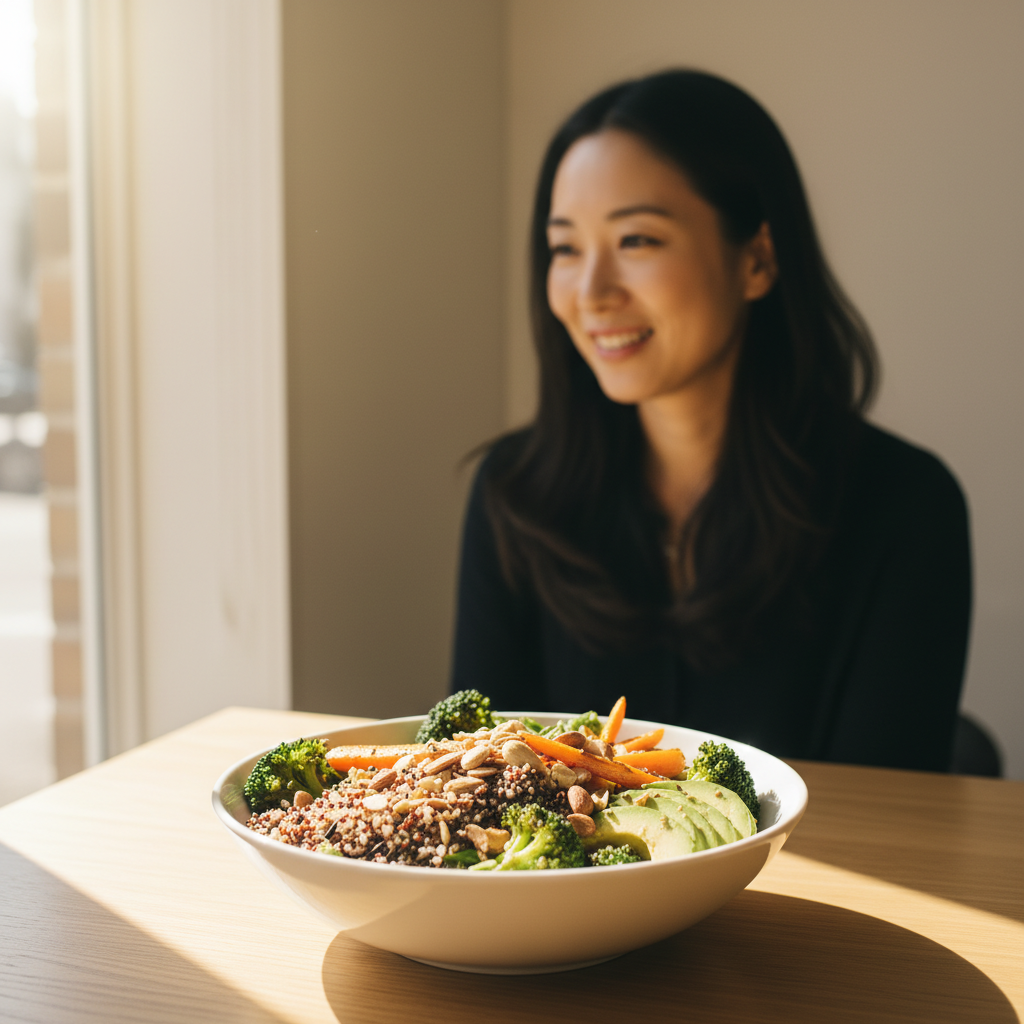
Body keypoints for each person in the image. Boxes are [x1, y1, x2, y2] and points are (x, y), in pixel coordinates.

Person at [450, 70, 971, 772]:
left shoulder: (907, 507)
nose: (592, 292)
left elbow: (893, 819)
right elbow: (476, 779)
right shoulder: (514, 494)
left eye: (636, 240)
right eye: (566, 248)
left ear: (756, 259)